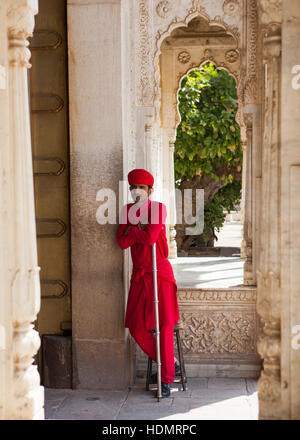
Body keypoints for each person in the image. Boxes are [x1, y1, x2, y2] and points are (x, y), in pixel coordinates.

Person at [117, 168, 180, 398]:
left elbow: (151, 237)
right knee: (135, 326)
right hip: (140, 275)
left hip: (159, 272)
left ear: (150, 190)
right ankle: (170, 362)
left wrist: (132, 232)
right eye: (133, 188)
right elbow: (121, 243)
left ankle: (165, 378)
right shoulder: (126, 211)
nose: (137, 192)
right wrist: (137, 231)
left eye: (141, 188)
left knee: (164, 326)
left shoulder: (158, 208)